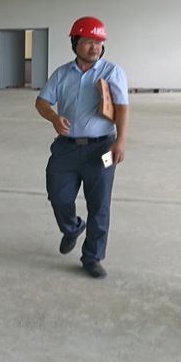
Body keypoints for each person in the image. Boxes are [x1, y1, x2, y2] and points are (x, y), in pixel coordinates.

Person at [35, 16, 129, 279]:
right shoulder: (62, 73)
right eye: (88, 41)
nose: (94, 47)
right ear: (75, 43)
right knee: (58, 195)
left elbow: (122, 107)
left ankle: (92, 257)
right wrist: (54, 118)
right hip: (66, 148)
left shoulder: (112, 72)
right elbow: (41, 102)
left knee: (99, 204)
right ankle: (72, 227)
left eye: (98, 42)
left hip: (103, 149)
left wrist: (120, 141)